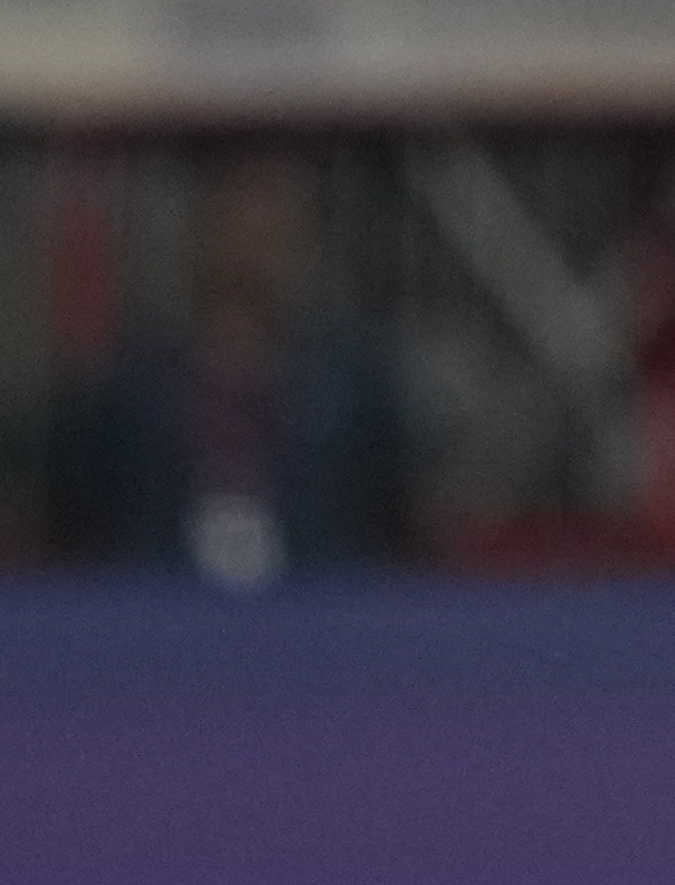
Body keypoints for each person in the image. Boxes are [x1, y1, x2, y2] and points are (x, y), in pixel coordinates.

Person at [47, 148, 408, 587]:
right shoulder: (134, 382)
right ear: (202, 238)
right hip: (157, 600)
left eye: (269, 234)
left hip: (316, 602)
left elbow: (392, 514)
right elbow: (77, 514)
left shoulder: (349, 381)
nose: (250, 253)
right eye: (236, 231)